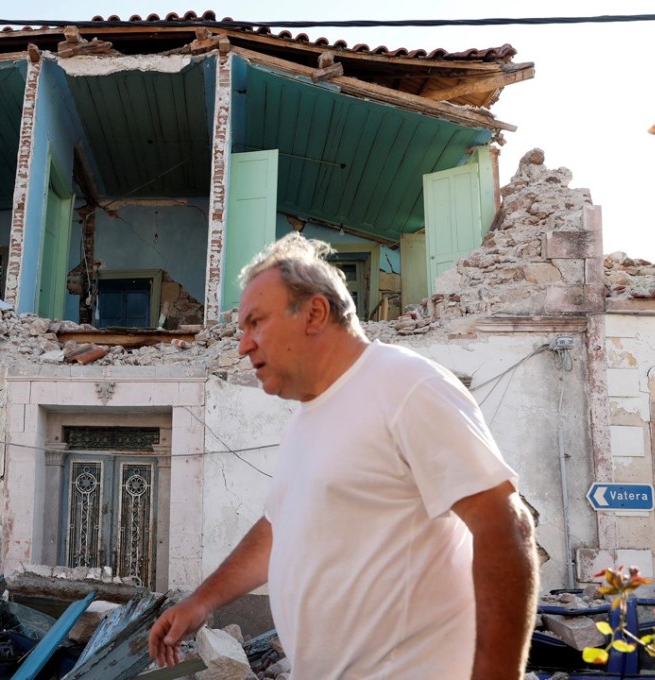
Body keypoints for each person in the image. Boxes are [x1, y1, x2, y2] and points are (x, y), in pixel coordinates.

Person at [148, 233, 538, 679]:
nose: (243, 345)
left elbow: (505, 527)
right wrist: (201, 601)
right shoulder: (302, 422)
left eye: (255, 322)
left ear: (315, 312)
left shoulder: (406, 386)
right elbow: (279, 528)